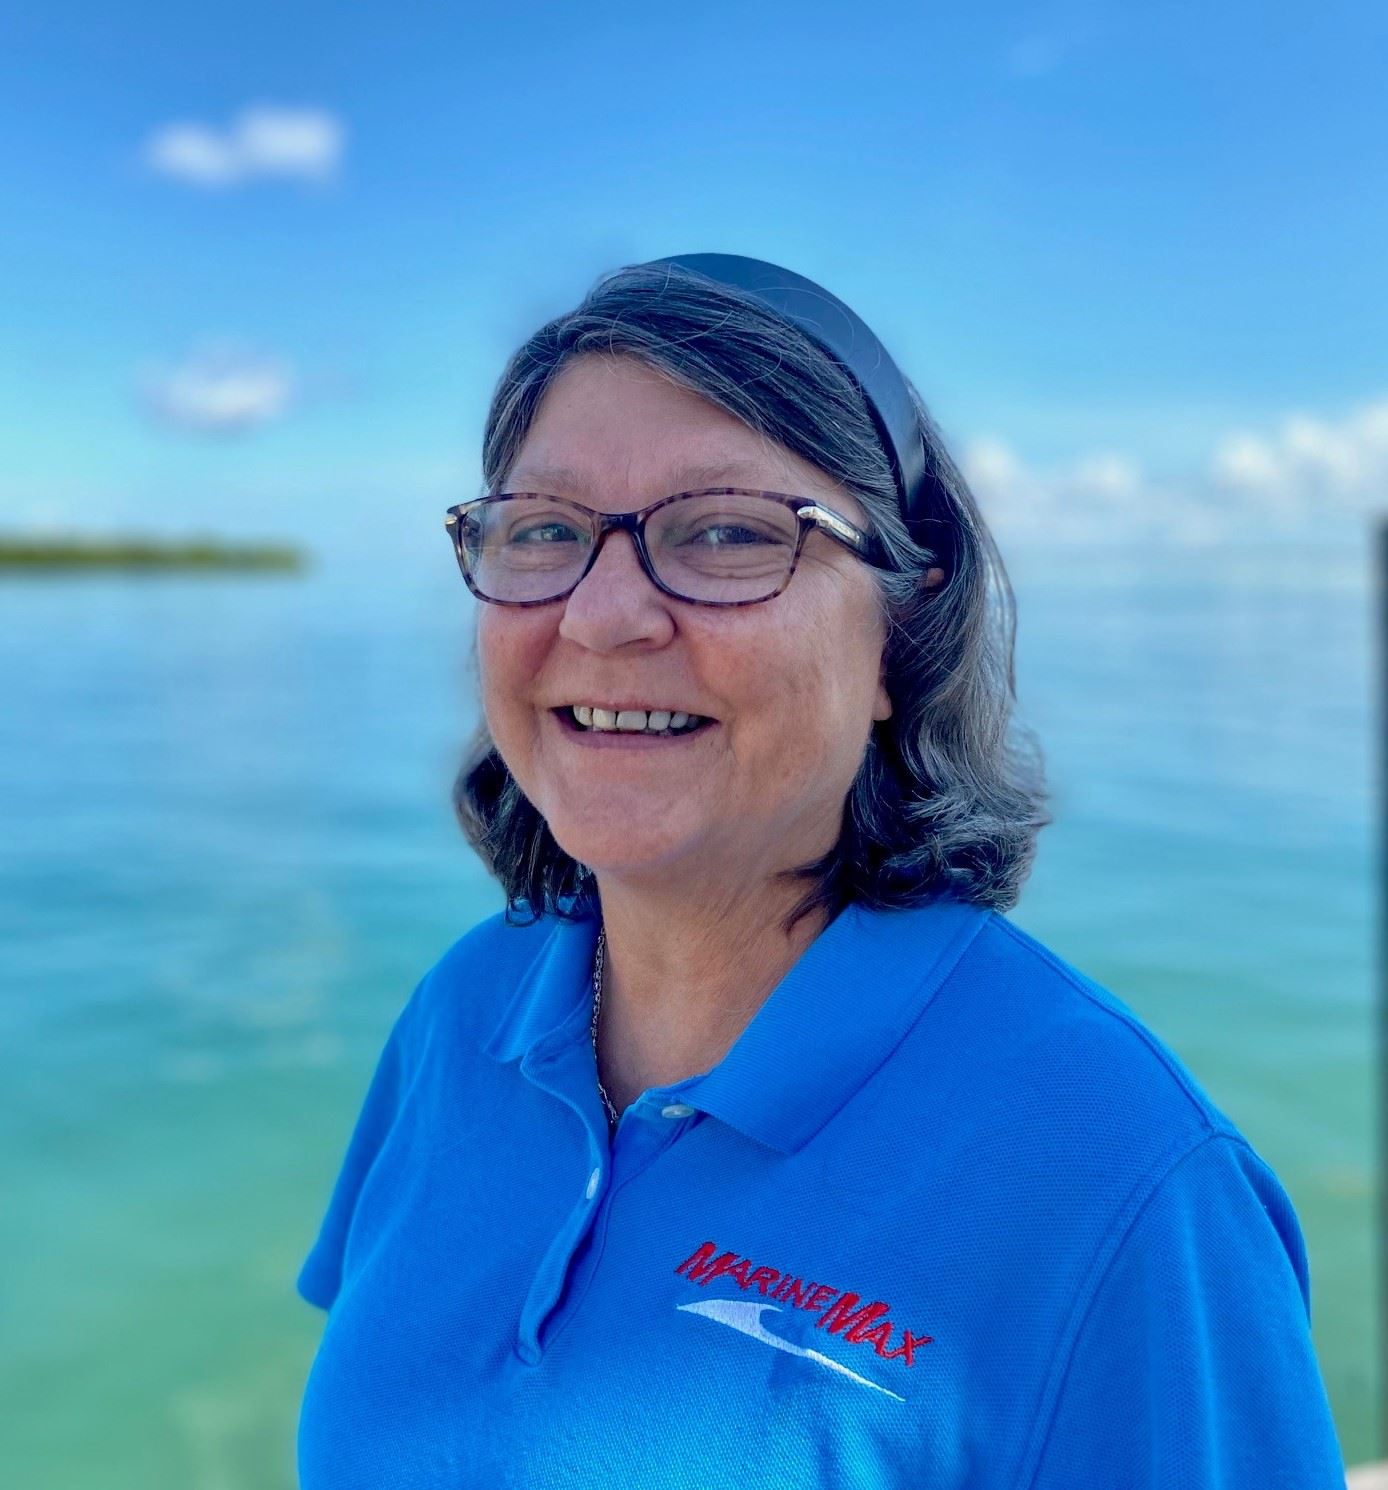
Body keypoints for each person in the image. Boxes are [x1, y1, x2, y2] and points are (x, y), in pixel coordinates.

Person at [294, 256, 1348, 1487]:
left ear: (903, 628)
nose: (602, 614)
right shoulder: (463, 1010)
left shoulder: (1122, 1187)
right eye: (544, 530)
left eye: (729, 532)